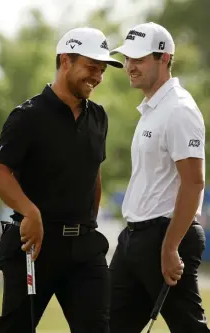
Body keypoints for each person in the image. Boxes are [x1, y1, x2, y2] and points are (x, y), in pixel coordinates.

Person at [0, 27, 123, 333]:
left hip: (84, 249)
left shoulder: (99, 117)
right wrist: (30, 211)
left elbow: (94, 173)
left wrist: (90, 224)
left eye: (101, 71)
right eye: (91, 67)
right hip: (35, 246)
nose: (98, 77)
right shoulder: (27, 115)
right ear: (65, 61)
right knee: (16, 327)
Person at [109, 22, 209, 333]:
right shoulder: (153, 109)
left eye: (138, 59)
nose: (129, 66)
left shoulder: (179, 109)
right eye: (127, 59)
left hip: (166, 238)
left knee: (188, 328)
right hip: (134, 239)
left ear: (164, 58)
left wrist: (169, 248)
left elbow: (194, 183)